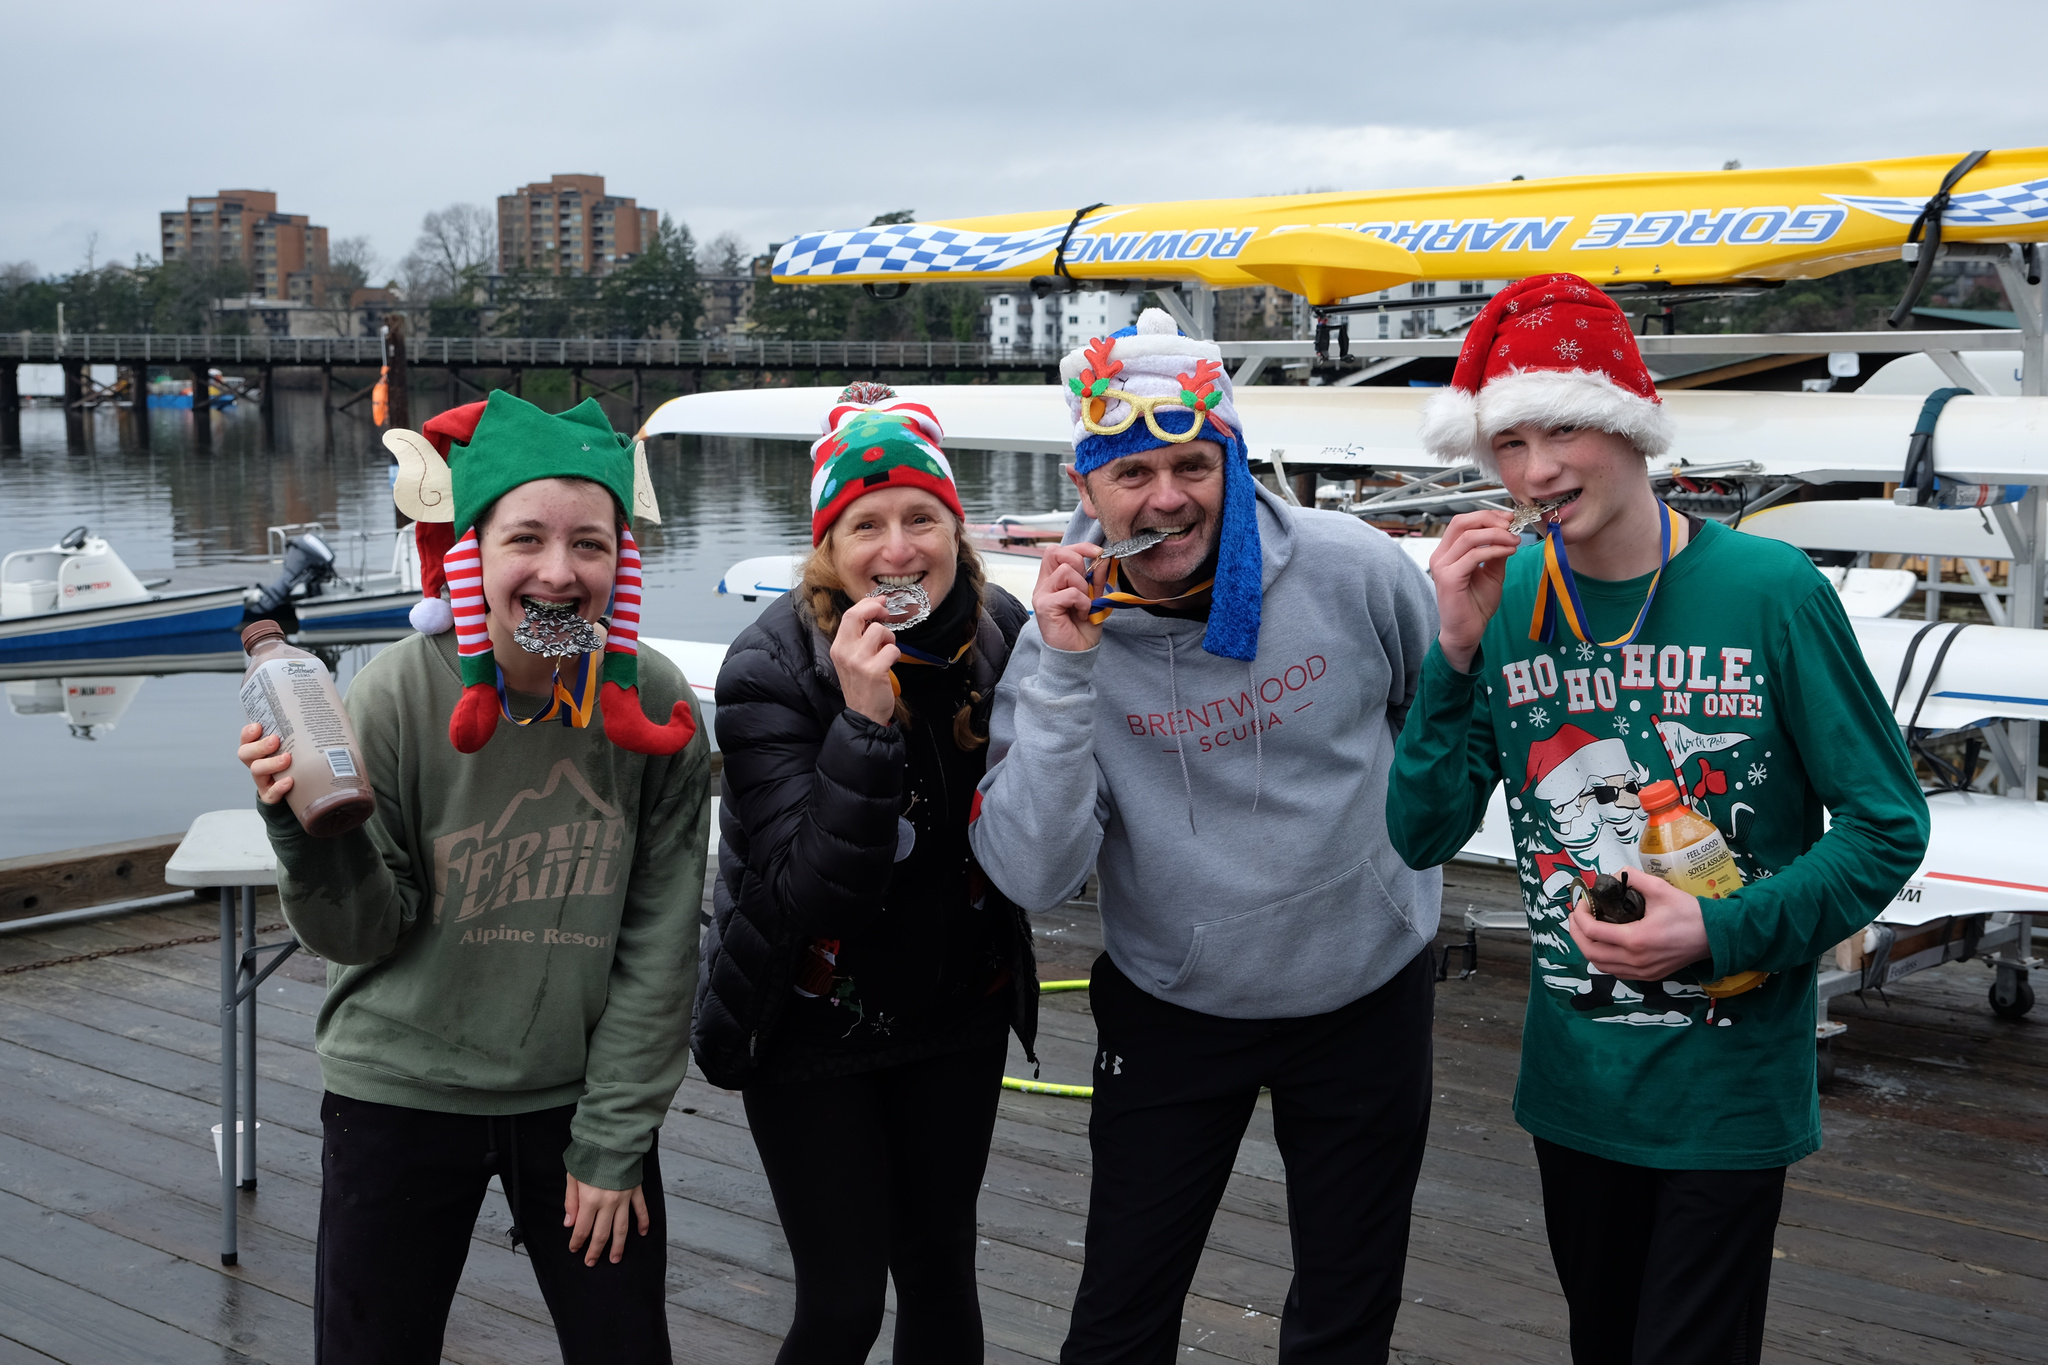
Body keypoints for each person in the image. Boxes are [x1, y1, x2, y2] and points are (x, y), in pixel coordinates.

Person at [1388, 273, 1929, 1365]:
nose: (1534, 472)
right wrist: (1449, 657)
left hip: (1725, 1092)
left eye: (1563, 432)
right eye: (1506, 445)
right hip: (1572, 1089)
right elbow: (1420, 833)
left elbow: (1885, 826)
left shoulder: (1770, 591)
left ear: (1629, 424)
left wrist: (1717, 931)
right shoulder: (1506, 605)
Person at [970, 310, 1442, 1363]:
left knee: (1347, 1304)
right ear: (1082, 487)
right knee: (1121, 1310)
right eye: (1130, 472)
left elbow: (1430, 720)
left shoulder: (1351, 568)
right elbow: (1031, 875)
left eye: (1191, 462)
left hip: (1364, 987)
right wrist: (1067, 671)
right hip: (1174, 999)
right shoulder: (1058, 637)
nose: (1165, 497)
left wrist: (1395, 874)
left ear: (1229, 457)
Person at [236, 392, 710, 1365]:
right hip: (401, 1091)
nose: (556, 571)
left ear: (618, 562)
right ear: (474, 554)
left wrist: (615, 1137)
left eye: (588, 543)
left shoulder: (656, 707)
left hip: (577, 1101)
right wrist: (302, 829)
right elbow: (363, 934)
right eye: (524, 539)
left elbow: (659, 945)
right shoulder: (397, 695)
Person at [694, 384, 1038, 1364]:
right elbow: (813, 892)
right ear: (827, 549)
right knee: (842, 1303)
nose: (897, 550)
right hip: (810, 1021)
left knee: (939, 1274)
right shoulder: (769, 667)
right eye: (865, 525)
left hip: (954, 1009)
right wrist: (861, 720)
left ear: (954, 529)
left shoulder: (997, 629)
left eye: (921, 518)